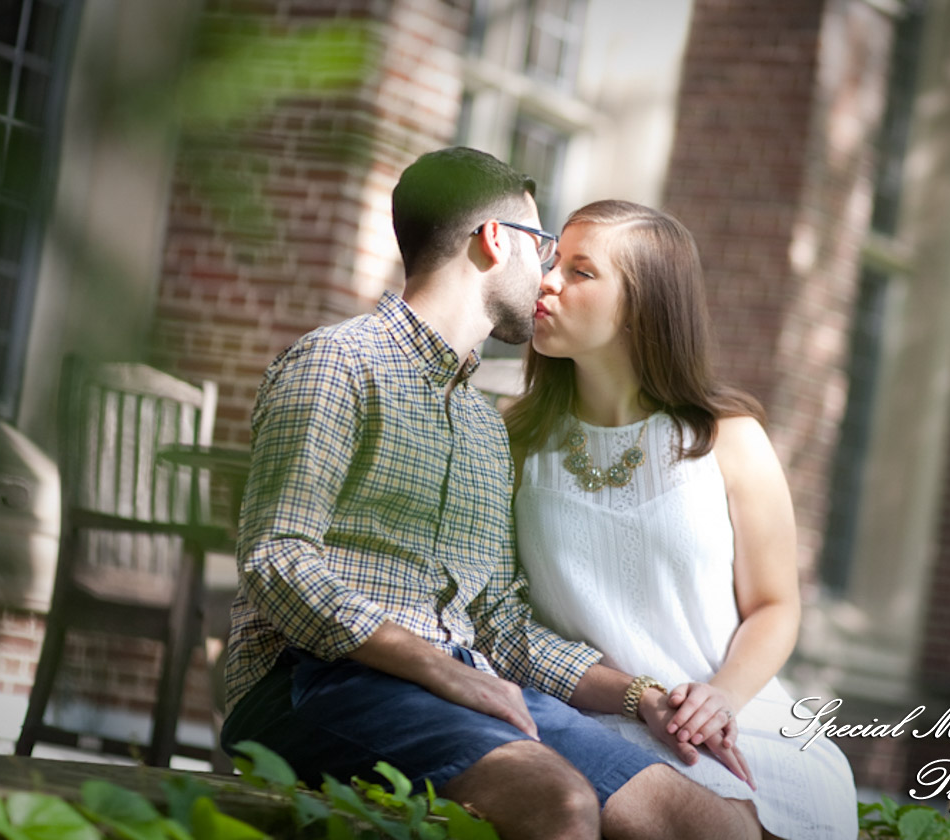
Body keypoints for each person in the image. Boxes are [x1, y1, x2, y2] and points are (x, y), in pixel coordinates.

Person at [220, 149, 759, 840]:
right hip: (313, 681)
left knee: (713, 826)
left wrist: (639, 696)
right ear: (496, 240)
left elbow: (500, 620)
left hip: (460, 684)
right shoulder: (338, 362)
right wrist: (439, 670)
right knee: (559, 803)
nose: (547, 274)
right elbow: (277, 559)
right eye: (543, 246)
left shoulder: (481, 424)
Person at [505, 199, 860, 840]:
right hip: (590, 725)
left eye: (580, 271)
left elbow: (775, 606)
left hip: (739, 721)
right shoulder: (513, 441)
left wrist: (721, 696)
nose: (546, 281)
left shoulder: (729, 438)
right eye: (553, 262)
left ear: (642, 307)